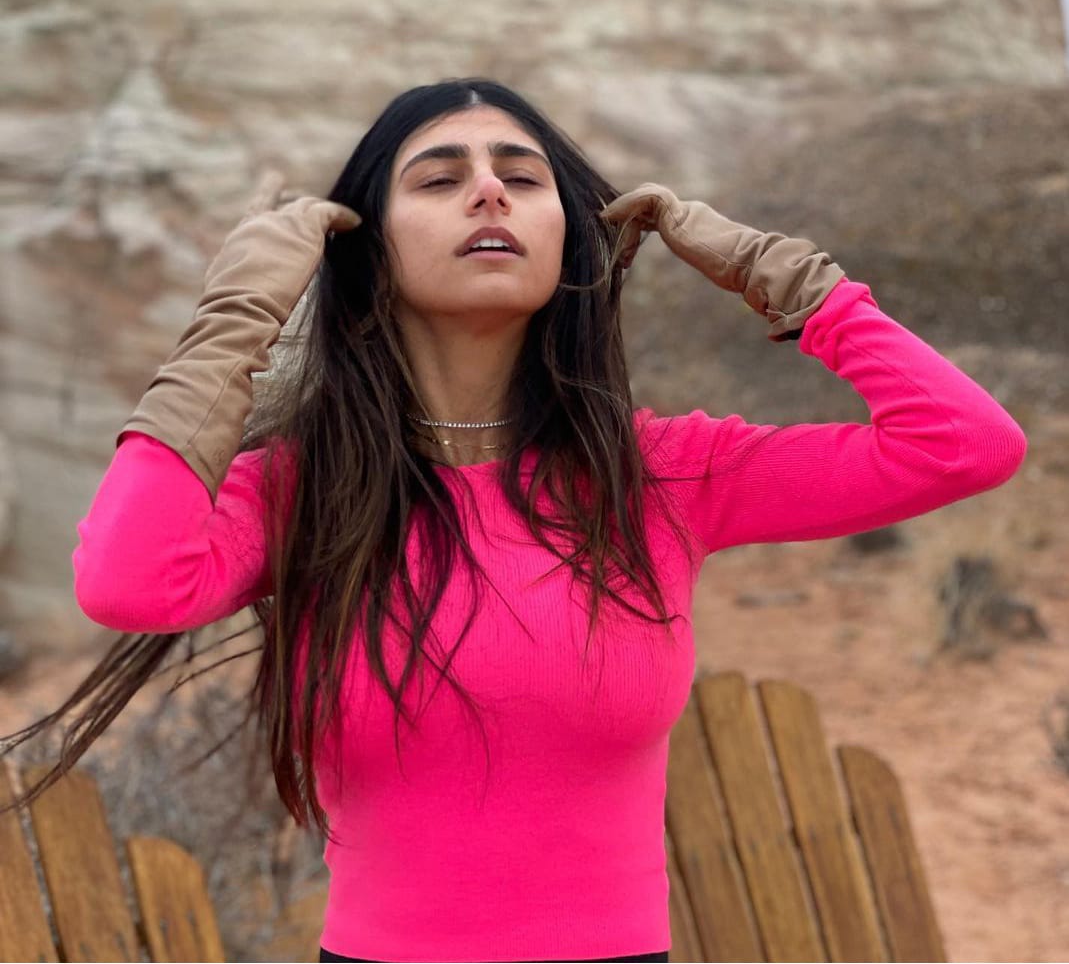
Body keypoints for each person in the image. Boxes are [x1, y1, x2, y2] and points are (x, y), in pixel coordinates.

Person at [0, 77, 1027, 963]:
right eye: (438, 177)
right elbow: (125, 582)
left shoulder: (660, 472)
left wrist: (780, 273)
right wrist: (234, 319)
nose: (488, 189)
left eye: (522, 176)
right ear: (367, 250)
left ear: (566, 237)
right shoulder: (303, 490)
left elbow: (965, 442)